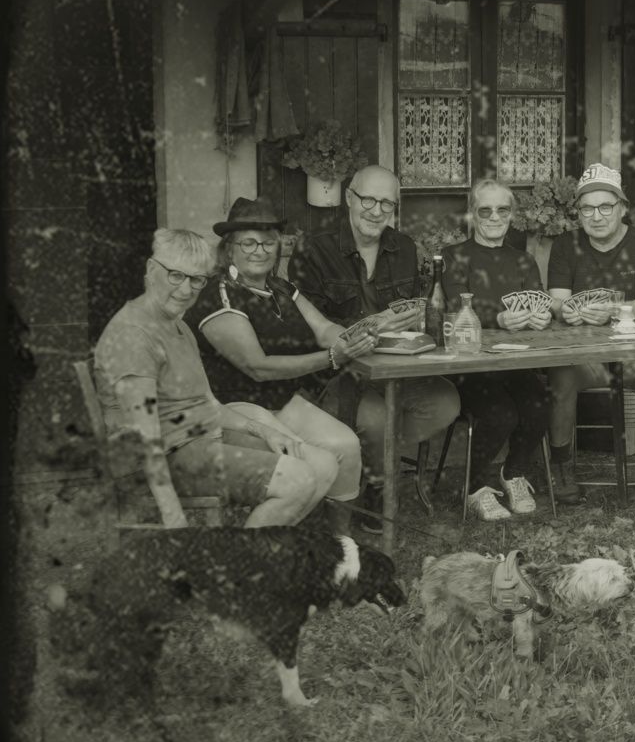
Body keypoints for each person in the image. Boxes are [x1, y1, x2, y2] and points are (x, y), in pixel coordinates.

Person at [93, 228, 349, 528]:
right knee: (298, 480)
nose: (186, 289)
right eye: (176, 275)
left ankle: (261, 553)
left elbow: (207, 406)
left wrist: (264, 431)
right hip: (164, 458)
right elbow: (145, 439)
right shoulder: (135, 335)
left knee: (323, 464)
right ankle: (240, 565)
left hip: (198, 438)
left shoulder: (176, 325)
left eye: (197, 279)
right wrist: (172, 512)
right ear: (152, 270)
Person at [184, 198, 370, 535]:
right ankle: (273, 539)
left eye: (269, 242)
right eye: (249, 242)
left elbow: (324, 328)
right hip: (233, 406)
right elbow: (259, 367)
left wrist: (353, 336)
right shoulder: (219, 295)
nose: (260, 250)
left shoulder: (281, 288)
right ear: (229, 250)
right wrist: (331, 358)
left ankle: (337, 539)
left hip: (279, 400)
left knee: (346, 445)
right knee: (310, 462)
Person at [292, 165, 460, 530]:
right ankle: (378, 481)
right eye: (368, 199)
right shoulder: (313, 250)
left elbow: (414, 306)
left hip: (393, 368)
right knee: (375, 419)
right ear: (350, 198)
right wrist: (374, 325)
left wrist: (414, 316)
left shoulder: (403, 247)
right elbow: (312, 325)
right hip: (337, 373)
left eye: (387, 203)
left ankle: (371, 472)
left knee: (445, 402)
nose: (376, 210)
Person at [544, 162, 635, 503]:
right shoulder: (566, 245)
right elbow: (556, 301)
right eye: (587, 208)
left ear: (622, 208)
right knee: (561, 377)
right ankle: (562, 466)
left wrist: (616, 311)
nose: (596, 216)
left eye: (605, 206)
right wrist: (568, 309)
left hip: (634, 354)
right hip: (583, 357)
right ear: (578, 212)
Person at [438, 178, 556, 520]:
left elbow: (539, 302)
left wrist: (539, 318)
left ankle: (514, 473)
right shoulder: (454, 256)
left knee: (540, 405)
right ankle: (474, 486)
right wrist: (499, 318)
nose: (493, 217)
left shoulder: (523, 261)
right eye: (484, 210)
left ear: (511, 214)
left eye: (502, 209)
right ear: (472, 214)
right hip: (470, 364)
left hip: (517, 360)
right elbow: (456, 305)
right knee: (500, 414)